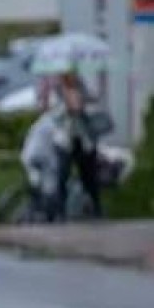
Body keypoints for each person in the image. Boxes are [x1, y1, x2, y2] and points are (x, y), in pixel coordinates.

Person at [48, 72, 103, 218]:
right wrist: (67, 106)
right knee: (62, 175)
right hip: (65, 141)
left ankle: (96, 208)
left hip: (84, 141)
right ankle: (60, 211)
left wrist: (82, 105)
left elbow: (95, 105)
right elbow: (54, 116)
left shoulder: (83, 89)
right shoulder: (57, 92)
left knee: (89, 175)